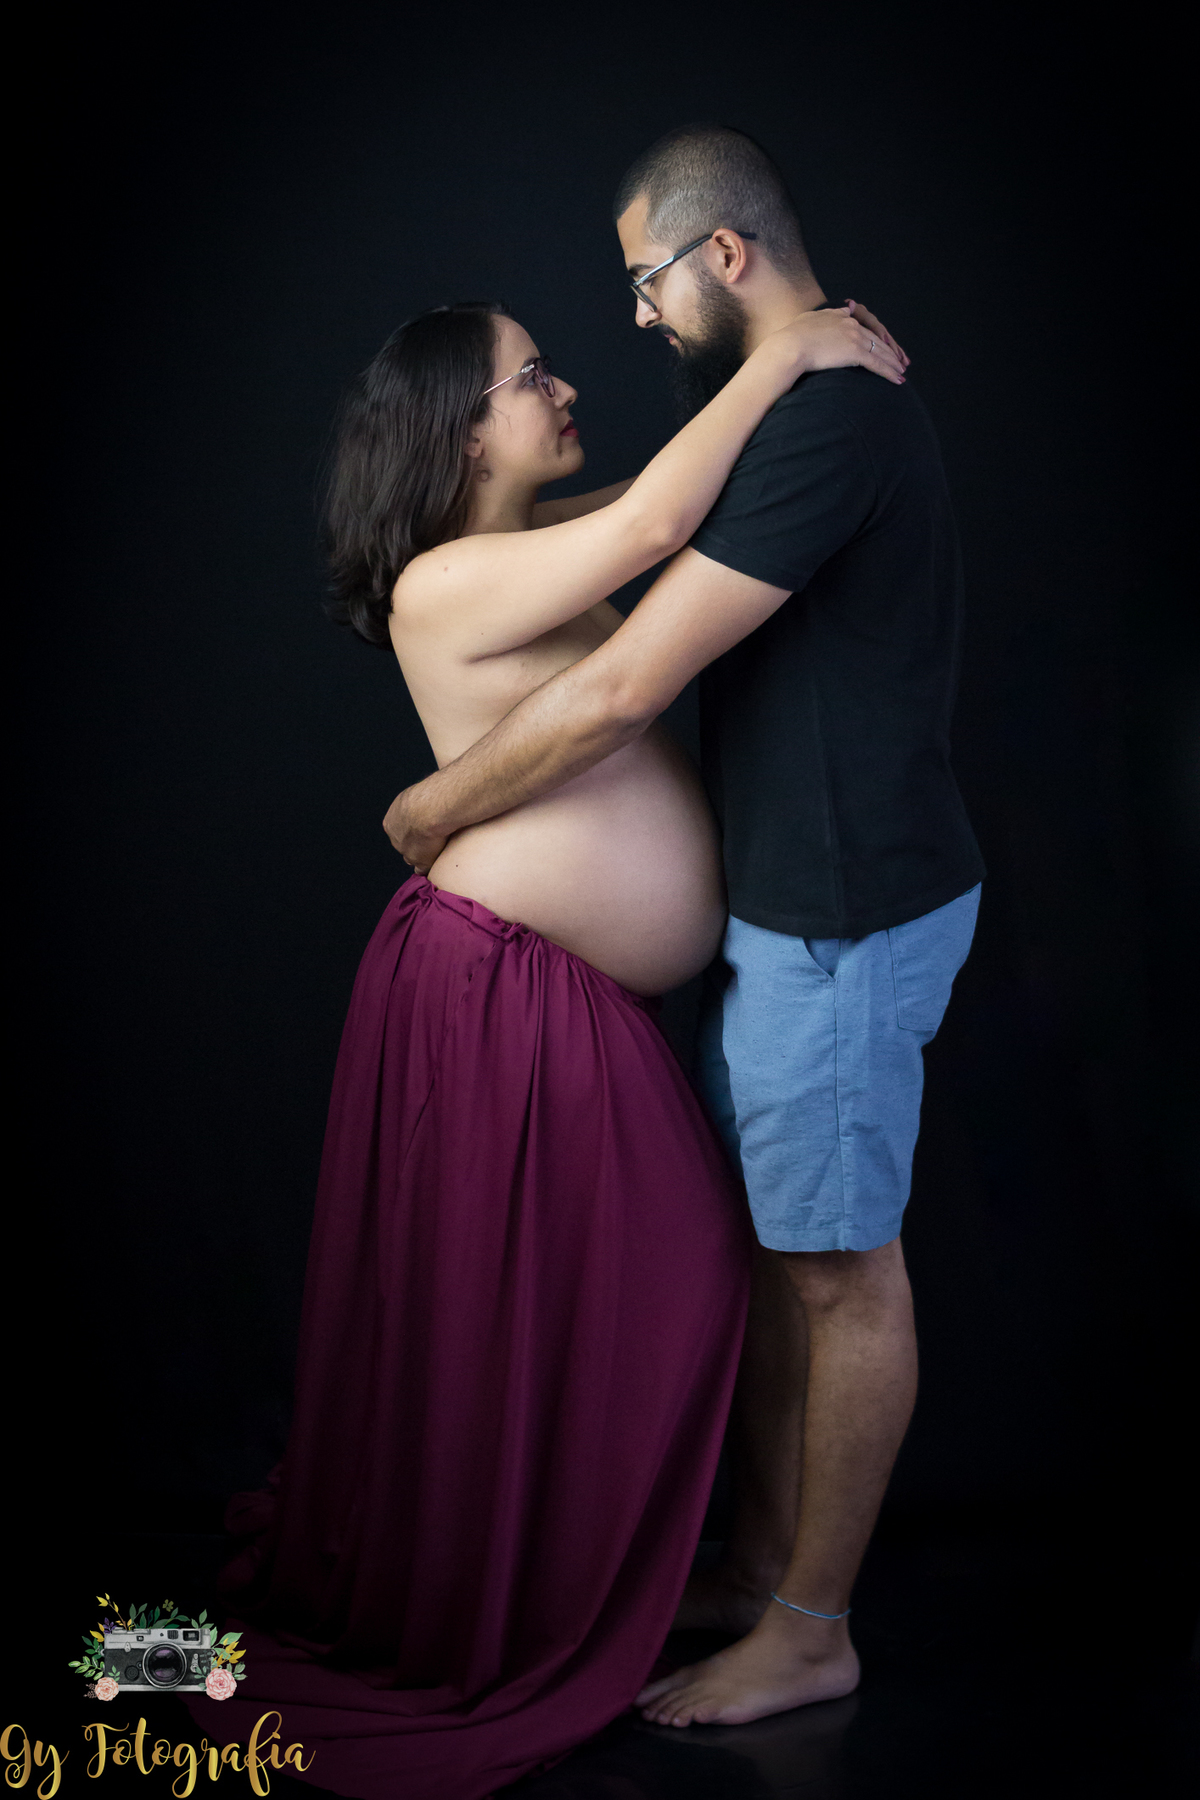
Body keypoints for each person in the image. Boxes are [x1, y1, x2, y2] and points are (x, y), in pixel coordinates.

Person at [183, 296, 906, 1798]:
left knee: (625, 1298)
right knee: (654, 1284)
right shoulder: (443, 583)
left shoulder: (507, 545)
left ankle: (631, 1578)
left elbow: (659, 502)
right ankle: (164, 1659)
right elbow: (653, 518)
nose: (565, 384)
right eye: (531, 377)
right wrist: (792, 346)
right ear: (460, 430)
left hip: (549, 996)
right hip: (500, 995)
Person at [385, 125, 987, 1730]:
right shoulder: (783, 404)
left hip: (840, 923)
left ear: (720, 257)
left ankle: (812, 1627)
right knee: (794, 1264)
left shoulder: (828, 417)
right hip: (786, 929)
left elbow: (630, 682)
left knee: (839, 1274)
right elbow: (636, 544)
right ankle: (760, 1567)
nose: (631, 323)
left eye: (645, 280)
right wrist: (786, 345)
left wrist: (430, 814)